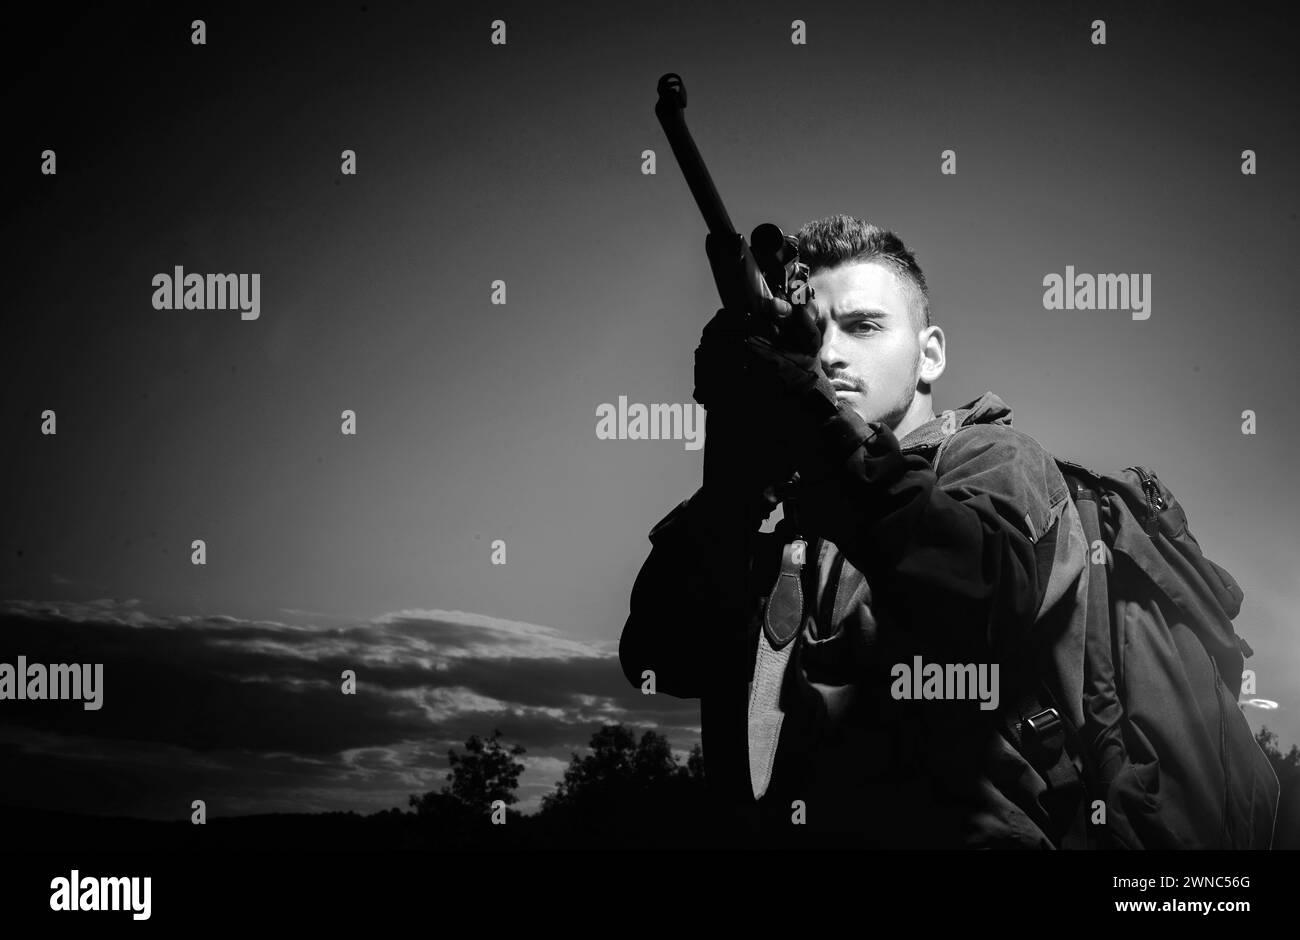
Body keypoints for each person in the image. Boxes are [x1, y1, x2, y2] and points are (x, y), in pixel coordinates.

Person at [619, 213, 1090, 848]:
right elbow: (659, 656)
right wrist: (733, 475)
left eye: (865, 325)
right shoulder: (799, 517)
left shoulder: (993, 458)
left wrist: (815, 422)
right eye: (816, 332)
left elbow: (976, 593)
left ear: (929, 354)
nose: (832, 354)